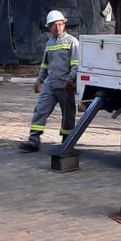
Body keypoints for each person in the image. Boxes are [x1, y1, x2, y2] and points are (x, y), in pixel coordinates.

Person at [19, 10, 80, 153]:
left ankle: (67, 141)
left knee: (68, 115)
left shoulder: (72, 42)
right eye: (54, 25)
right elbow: (45, 65)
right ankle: (33, 141)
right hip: (50, 85)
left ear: (64, 25)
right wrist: (39, 81)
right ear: (49, 27)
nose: (57, 27)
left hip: (66, 86)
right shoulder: (49, 44)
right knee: (40, 110)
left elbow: (76, 64)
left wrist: (71, 80)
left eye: (60, 24)